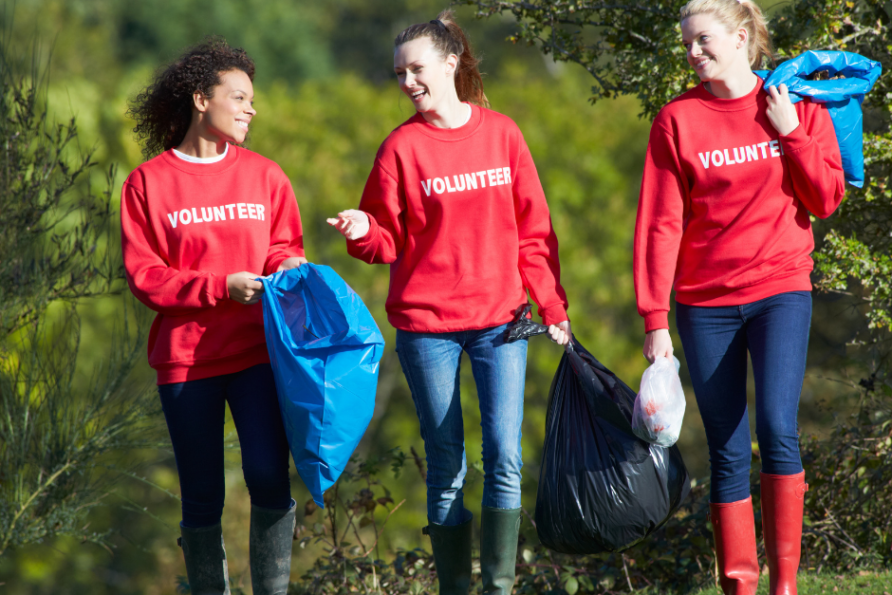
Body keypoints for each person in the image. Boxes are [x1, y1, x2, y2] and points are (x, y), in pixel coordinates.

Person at [328, 11, 571, 595]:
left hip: (502, 324)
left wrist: (553, 306)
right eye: (399, 73)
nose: (408, 81)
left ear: (451, 64)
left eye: (416, 68)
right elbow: (386, 241)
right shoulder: (399, 149)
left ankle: (500, 586)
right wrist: (362, 229)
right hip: (427, 329)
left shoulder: (503, 134)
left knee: (505, 459)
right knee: (447, 466)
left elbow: (534, 231)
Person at [634, 1, 845, 594]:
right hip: (704, 304)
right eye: (687, 44)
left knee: (778, 427)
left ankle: (785, 585)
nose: (693, 53)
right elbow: (660, 224)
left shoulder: (795, 101)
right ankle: (740, 586)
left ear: (743, 36)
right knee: (726, 446)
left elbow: (826, 199)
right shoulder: (677, 119)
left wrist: (791, 132)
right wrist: (655, 318)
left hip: (781, 288)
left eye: (703, 40)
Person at [121, 38, 306, 595]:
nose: (252, 108)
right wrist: (219, 286)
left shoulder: (266, 175)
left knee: (271, 476)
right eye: (240, 97)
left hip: (256, 355)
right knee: (202, 493)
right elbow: (146, 277)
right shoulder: (148, 183)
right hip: (186, 363)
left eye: (253, 99)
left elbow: (282, 246)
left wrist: (290, 265)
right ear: (202, 99)